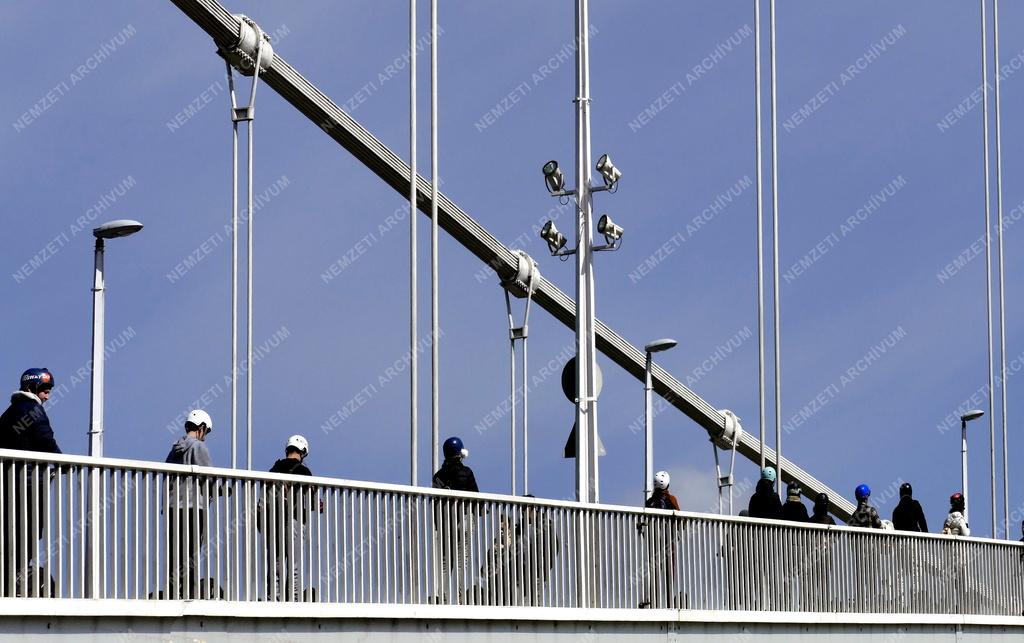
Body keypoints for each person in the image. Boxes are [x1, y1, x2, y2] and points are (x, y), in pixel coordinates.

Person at [0, 368, 60, 597]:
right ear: (32, 388)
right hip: (29, 483)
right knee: (30, 531)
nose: (48, 395)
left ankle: (9, 575)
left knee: (10, 530)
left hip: (8, 481)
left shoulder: (8, 413)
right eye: (45, 389)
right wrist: (61, 461)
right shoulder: (34, 409)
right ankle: (16, 576)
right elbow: (45, 439)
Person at [164, 409, 213, 599]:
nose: (205, 436)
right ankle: (190, 592)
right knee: (192, 552)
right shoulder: (198, 447)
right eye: (206, 432)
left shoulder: (174, 449)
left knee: (174, 551)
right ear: (201, 428)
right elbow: (208, 476)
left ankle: (173, 590)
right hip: (194, 507)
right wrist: (221, 489)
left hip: (173, 507)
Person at [264, 435, 313, 602]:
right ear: (303, 452)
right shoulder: (303, 471)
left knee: (276, 564)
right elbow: (311, 502)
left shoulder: (274, 469)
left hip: (274, 520)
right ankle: (294, 598)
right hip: (295, 520)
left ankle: (274, 598)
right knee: (294, 564)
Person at [432, 437, 478, 604]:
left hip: (445, 523)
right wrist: (479, 512)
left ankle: (442, 596)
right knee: (461, 562)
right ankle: (460, 597)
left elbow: (435, 501)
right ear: (461, 453)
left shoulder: (438, 475)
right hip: (464, 520)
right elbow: (476, 496)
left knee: (445, 563)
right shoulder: (467, 472)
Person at [641, 471, 680, 608]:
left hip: (653, 542)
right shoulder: (671, 500)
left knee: (654, 571)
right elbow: (680, 519)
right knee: (670, 573)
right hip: (668, 541)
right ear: (667, 484)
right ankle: (669, 604)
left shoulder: (649, 502)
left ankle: (653, 602)